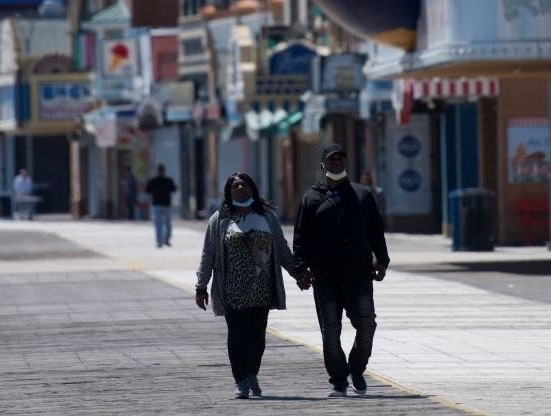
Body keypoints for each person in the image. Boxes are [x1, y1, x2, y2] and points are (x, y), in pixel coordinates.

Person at [195, 172, 311, 400]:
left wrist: (297, 273)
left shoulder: (267, 217)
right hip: (232, 290)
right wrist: (201, 285)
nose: (240, 188)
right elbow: (208, 254)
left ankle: (251, 373)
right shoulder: (220, 219)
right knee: (237, 335)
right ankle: (240, 380)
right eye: (235, 186)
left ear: (252, 189)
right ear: (228, 192)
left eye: (244, 185)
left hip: (262, 289)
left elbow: (282, 248)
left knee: (257, 337)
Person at [293, 143, 389, 397]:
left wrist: (382, 260)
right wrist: (300, 269)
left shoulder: (362, 195)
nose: (336, 163)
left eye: (340, 159)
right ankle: (338, 378)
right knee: (330, 331)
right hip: (326, 278)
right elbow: (301, 239)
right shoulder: (311, 198)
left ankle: (357, 368)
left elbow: (375, 232)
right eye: (331, 160)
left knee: (367, 324)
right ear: (323, 164)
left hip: (359, 275)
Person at [145, 163, 178, 248]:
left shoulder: (153, 181)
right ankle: (166, 239)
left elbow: (147, 190)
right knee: (167, 223)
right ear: (164, 171)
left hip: (156, 204)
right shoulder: (168, 180)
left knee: (158, 224)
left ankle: (159, 241)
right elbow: (174, 189)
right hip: (166, 204)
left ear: (157, 171)